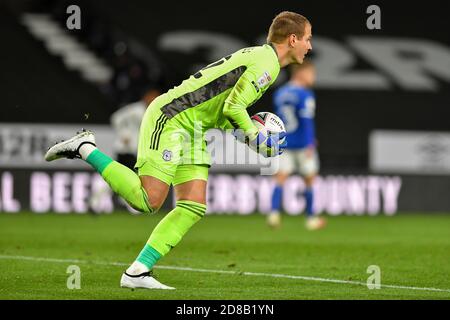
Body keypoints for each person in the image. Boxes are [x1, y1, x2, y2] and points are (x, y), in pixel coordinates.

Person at [45, 11, 312, 290]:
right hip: (172, 117)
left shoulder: (263, 59)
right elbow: (234, 108)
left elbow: (222, 109)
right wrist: (256, 137)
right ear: (293, 39)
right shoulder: (266, 64)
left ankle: (137, 271)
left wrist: (248, 140)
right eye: (308, 38)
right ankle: (85, 147)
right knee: (148, 200)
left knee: (193, 205)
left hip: (194, 129)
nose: (310, 46)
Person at [268, 60, 326, 230]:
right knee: (309, 179)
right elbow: (307, 120)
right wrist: (309, 142)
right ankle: (310, 218)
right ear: (301, 73)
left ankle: (273, 214)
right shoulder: (305, 94)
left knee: (280, 179)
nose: (313, 78)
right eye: (311, 73)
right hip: (301, 143)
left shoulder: (280, 92)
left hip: (284, 142)